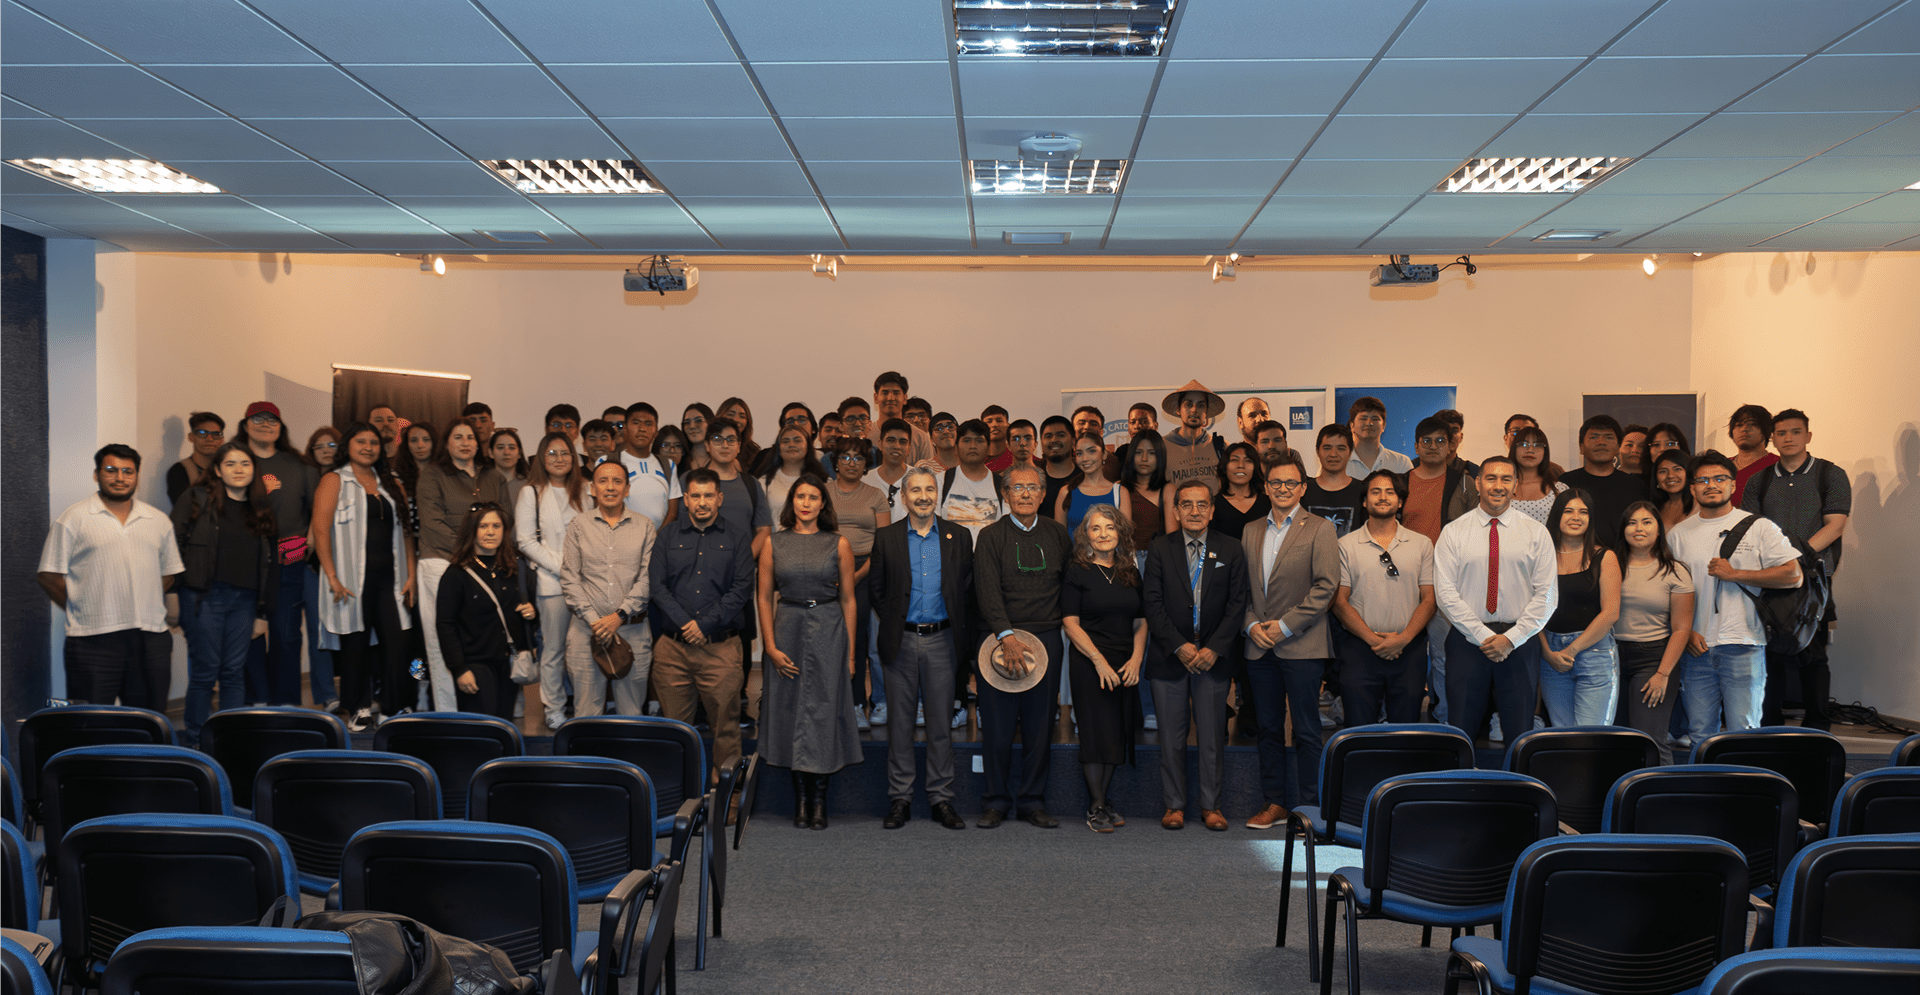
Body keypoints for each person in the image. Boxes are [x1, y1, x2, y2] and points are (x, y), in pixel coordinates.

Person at [1667, 451, 1803, 740]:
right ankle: (1704, 785)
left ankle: (1743, 786)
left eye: (1719, 478)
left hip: (1744, 644)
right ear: (1692, 488)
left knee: (1745, 732)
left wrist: (1736, 574)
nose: (1711, 484)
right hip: (1696, 648)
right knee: (1700, 732)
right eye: (1702, 479)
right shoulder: (1678, 534)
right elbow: (1669, 592)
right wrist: (1686, 631)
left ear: (1732, 485)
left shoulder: (1759, 526)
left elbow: (1793, 574)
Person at [870, 466, 973, 831]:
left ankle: (941, 798)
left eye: (930, 489)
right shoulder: (887, 538)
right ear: (903, 495)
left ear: (937, 494)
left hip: (943, 641)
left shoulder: (959, 537)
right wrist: (899, 620)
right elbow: (878, 591)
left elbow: (965, 589)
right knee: (900, 725)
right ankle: (900, 798)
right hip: (901, 640)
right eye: (916, 490)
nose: (924, 496)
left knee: (940, 725)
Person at [1142, 481, 1250, 831]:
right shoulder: (1160, 548)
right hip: (1170, 655)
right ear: (1175, 511)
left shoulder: (1230, 549)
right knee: (1171, 738)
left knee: (1212, 738)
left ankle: (1211, 806)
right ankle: (1174, 805)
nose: (1194, 511)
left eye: (1201, 505)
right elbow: (1152, 604)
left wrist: (1214, 648)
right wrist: (1179, 645)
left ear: (1212, 510)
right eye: (1186, 505)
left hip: (1212, 658)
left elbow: (1238, 604)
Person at [1239, 453, 1339, 828]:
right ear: (1265, 487)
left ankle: (1309, 809)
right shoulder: (1250, 530)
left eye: (1290, 483)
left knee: (1307, 730)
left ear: (1302, 488)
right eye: (1275, 483)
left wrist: (1283, 626)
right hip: (1258, 644)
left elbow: (1326, 587)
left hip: (1302, 644)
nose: (1282, 489)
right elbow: (1242, 589)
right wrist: (1251, 626)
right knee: (1267, 728)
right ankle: (1274, 803)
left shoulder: (1320, 528)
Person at [757, 475, 861, 830]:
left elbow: (849, 599)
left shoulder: (839, 543)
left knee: (823, 711)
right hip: (787, 627)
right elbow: (763, 597)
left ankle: (819, 799)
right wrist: (769, 646)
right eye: (800, 496)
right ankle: (801, 799)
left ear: (822, 504)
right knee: (790, 710)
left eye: (813, 497)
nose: (805, 503)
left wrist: (850, 654)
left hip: (829, 628)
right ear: (791, 502)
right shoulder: (774, 542)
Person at [973, 464, 1073, 829]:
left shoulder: (1058, 535)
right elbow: (986, 590)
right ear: (1005, 494)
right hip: (998, 641)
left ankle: (1032, 801)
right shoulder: (989, 536)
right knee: (998, 730)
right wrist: (1006, 635)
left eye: (1034, 488)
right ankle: (995, 801)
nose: (1027, 494)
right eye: (1018, 488)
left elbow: (1067, 586)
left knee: (1039, 726)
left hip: (1046, 641)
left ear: (1044, 494)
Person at [1433, 457, 1560, 744]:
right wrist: (1483, 636)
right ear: (1478, 483)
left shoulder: (1536, 533)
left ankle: (1520, 788)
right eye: (1491, 478)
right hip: (1467, 640)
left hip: (1520, 641)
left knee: (1520, 731)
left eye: (1506, 479)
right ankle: (1461, 785)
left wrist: (1511, 638)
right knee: (1462, 729)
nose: (1498, 486)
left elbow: (1548, 595)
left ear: (1515, 485)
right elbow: (1445, 594)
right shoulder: (1454, 532)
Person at [1743, 408, 1850, 730]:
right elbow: (1752, 529)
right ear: (1772, 438)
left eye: (1795, 432)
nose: (1788, 438)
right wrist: (1779, 564)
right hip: (1772, 580)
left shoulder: (1830, 474)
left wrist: (1795, 557)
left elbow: (1835, 526)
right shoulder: (1757, 481)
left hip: (1815, 581)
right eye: (1781, 433)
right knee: (1769, 654)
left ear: (1808, 436)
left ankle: (1818, 727)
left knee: (1814, 655)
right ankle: (1770, 725)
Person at [650, 468, 756, 790]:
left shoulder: (737, 538)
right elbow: (657, 586)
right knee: (676, 731)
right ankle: (680, 801)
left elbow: (740, 590)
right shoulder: (666, 536)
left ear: (720, 498)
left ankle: (727, 803)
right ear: (685, 500)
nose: (702, 502)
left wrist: (704, 625)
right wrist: (686, 623)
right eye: (695, 495)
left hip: (721, 649)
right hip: (673, 650)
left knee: (726, 728)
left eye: (709, 495)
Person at [170, 442, 277, 746]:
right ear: (217, 469)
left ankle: (229, 740)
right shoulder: (195, 498)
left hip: (245, 600)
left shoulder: (260, 507)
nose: (239, 469)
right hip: (204, 597)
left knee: (233, 672)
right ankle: (195, 739)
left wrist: (262, 611)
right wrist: (173, 591)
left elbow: (270, 563)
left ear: (254, 470)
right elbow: (172, 545)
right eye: (230, 464)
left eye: (245, 463)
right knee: (205, 672)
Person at [312, 424, 414, 731]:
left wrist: (410, 574)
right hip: (350, 580)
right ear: (348, 445)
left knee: (398, 643)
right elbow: (320, 530)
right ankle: (358, 707)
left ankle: (394, 707)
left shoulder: (392, 481)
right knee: (355, 645)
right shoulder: (334, 480)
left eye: (374, 443)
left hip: (391, 579)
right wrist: (331, 576)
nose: (368, 447)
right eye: (361, 441)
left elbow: (408, 531)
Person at [415, 420, 513, 711]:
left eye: (470, 437)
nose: (465, 442)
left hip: (486, 565)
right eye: (457, 437)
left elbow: (506, 521)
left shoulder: (494, 477)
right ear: (446, 443)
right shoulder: (433, 475)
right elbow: (431, 524)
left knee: (484, 635)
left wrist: (483, 554)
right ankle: (448, 712)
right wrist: (470, 551)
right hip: (441, 562)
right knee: (441, 638)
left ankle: (488, 703)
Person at [1062, 505, 1147, 833]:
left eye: (1109, 528)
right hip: (1089, 662)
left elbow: (1141, 621)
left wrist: (1137, 659)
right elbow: (1070, 623)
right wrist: (1099, 662)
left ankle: (1103, 800)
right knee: (1095, 736)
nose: (1103, 534)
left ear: (1120, 532)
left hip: (1125, 662)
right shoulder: (1077, 571)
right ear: (1085, 534)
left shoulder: (1130, 571)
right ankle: (1096, 806)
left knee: (1115, 734)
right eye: (1095, 529)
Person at [1333, 470, 1437, 726]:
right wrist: (1374, 640)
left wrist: (1401, 639)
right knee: (1358, 730)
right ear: (1365, 501)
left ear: (1400, 501)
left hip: (1408, 648)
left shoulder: (1422, 544)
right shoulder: (1345, 545)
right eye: (1375, 491)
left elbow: (1430, 599)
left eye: (1390, 491)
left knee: (1406, 731)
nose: (1382, 497)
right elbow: (1339, 601)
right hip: (1360, 649)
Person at [237, 401, 318, 708]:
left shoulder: (299, 465)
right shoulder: (235, 461)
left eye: (272, 420)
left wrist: (305, 547)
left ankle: (286, 705)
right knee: (248, 635)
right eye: (257, 419)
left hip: (289, 562)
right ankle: (257, 700)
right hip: (244, 564)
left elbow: (315, 515)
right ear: (245, 425)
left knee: (286, 636)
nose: (265, 425)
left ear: (280, 427)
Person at [561, 460, 657, 718]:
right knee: (585, 715)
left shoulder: (645, 526)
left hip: (633, 630)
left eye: (617, 481)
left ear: (627, 489)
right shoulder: (578, 526)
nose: (610, 487)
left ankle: (628, 759)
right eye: (603, 481)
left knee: (632, 715)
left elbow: (648, 578)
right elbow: (570, 578)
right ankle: (588, 761)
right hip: (585, 632)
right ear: (592, 488)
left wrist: (619, 616)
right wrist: (596, 622)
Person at [435, 503, 534, 720]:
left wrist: (531, 612)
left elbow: (526, 615)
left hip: (509, 662)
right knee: (482, 729)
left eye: (497, 526)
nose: (491, 532)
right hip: (475, 665)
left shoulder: (514, 568)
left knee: (505, 725)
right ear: (472, 531)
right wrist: (459, 669)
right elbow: (445, 625)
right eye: (483, 526)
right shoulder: (456, 574)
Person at [1614, 501, 1694, 764]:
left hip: (1653, 660)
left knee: (1650, 741)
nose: (1639, 528)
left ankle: (1664, 801)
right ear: (1623, 529)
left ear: (1659, 530)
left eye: (1647, 522)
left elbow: (1682, 629)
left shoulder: (1675, 570)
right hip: (1609, 658)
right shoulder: (1608, 565)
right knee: (1616, 741)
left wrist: (1663, 674)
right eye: (1632, 522)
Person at [516, 432, 586, 730]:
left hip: (586, 584)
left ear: (574, 458)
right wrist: (564, 568)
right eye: (552, 453)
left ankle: (585, 706)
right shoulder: (530, 492)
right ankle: (554, 707)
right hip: (552, 584)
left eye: (565, 453)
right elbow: (526, 541)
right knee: (553, 651)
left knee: (583, 651)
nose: (559, 459)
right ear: (542, 459)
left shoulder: (585, 490)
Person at [1537, 489, 1622, 727]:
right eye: (1569, 511)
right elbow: (1532, 612)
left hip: (1594, 653)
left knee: (1591, 736)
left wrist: (1572, 651)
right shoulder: (1541, 557)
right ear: (1556, 516)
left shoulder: (1605, 557)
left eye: (1583, 512)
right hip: (1550, 655)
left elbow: (1610, 613)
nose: (1576, 517)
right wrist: (1546, 652)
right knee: (1562, 735)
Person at [824, 435, 892, 724]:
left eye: (859, 458)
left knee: (869, 641)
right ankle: (846, 703)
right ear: (836, 462)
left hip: (868, 571)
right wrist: (840, 574)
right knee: (838, 641)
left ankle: (871, 703)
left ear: (866, 464)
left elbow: (884, 543)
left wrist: (856, 574)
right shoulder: (823, 492)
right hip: (829, 571)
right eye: (846, 457)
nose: (852, 463)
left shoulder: (876, 495)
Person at [301, 426, 342, 710]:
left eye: (332, 444)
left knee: (353, 632)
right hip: (312, 564)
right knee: (319, 632)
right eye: (319, 446)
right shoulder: (305, 479)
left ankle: (357, 691)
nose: (326, 450)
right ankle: (327, 694)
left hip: (349, 564)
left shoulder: (352, 478)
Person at [1558, 415, 1647, 544]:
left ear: (1618, 447)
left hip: (1624, 560)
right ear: (1581, 447)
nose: (1601, 442)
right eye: (1593, 437)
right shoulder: (1566, 482)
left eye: (1608, 437)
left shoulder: (1636, 486)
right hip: (1580, 559)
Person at [1402, 416, 1473, 544]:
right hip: (1408, 560)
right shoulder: (1401, 483)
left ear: (1449, 447)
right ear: (1416, 448)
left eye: (1440, 441)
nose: (1433, 447)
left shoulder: (1464, 483)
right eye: (1426, 441)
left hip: (1450, 561)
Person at [700, 418, 772, 545]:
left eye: (731, 440)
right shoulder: (690, 481)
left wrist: (745, 559)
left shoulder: (751, 484)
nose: (725, 445)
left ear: (738, 446)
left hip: (743, 562)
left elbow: (764, 529)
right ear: (707, 445)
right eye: (717, 439)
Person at [616, 402, 681, 530]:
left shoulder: (668, 465)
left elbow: (672, 512)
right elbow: (601, 507)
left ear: (655, 433)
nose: (642, 429)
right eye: (636, 423)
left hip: (658, 544)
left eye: (648, 424)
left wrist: (656, 540)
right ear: (625, 429)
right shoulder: (608, 461)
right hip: (619, 544)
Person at [1056, 431, 1132, 533]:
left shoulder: (1120, 492)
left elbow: (1125, 537)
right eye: (1079, 453)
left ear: (1104, 454)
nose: (1085, 458)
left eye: (1091, 451)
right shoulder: (1065, 492)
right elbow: (1059, 538)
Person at [1161, 381, 1226, 497]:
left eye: (1200, 405)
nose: (1194, 410)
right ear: (1178, 409)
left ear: (1206, 412)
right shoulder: (1162, 446)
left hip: (1214, 514)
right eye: (1188, 404)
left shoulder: (1221, 446)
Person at [940, 419, 1003, 538]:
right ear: (956, 446)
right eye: (967, 440)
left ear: (989, 447)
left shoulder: (1001, 485)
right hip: (952, 556)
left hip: (988, 556)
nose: (973, 446)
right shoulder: (941, 481)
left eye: (979, 441)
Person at [1302, 424, 1365, 537]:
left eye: (1341, 448)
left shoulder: (1363, 491)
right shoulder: (1302, 491)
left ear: (1350, 452)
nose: (1333, 454)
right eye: (1327, 448)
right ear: (1317, 451)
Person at [761, 424, 830, 523]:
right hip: (776, 537)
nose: (791, 444)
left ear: (808, 446)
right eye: (785, 441)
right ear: (778, 448)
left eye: (797, 440)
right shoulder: (765, 482)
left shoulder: (824, 481)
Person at [1206, 442, 1269, 539]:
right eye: (1234, 460)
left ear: (1255, 468)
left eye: (1248, 460)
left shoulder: (1269, 503)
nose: (1241, 465)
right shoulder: (1212, 505)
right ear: (1225, 467)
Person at [1507, 425, 1569, 525]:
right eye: (1523, 444)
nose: (1530, 450)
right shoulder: (1500, 486)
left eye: (1537, 445)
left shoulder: (1559, 490)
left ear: (1545, 451)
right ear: (1514, 448)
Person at [870, 371, 935, 465]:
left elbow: (927, 476)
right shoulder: (866, 434)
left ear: (905, 398)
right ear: (876, 398)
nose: (890, 398)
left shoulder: (921, 438)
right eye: (885, 393)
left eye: (896, 393)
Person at [167, 411, 225, 506]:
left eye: (215, 434)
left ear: (222, 440)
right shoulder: (180, 471)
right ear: (191, 437)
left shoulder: (228, 469)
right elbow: (185, 512)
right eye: (202, 433)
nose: (209, 439)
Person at [1121, 428, 1167, 548]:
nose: (1144, 458)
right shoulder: (1118, 488)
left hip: (1156, 559)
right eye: (1138, 452)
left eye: (1152, 453)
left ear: (1160, 456)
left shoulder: (1168, 490)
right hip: (1124, 557)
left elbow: (1172, 539)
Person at [1345, 396, 1411, 478]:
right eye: (1363, 418)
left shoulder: (1401, 463)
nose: (1369, 423)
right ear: (1352, 425)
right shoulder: (1340, 463)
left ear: (1383, 426)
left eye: (1375, 419)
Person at [1727, 404, 1778, 506]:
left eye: (1752, 424)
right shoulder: (1722, 466)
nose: (1744, 429)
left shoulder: (1778, 465)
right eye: (1739, 425)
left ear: (1766, 431)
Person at [393, 423, 438, 537]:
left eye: (426, 440)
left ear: (434, 443)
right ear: (406, 445)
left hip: (438, 543)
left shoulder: (445, 476)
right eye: (413, 440)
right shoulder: (395, 477)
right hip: (404, 541)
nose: (420, 445)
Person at [867, 418, 915, 521]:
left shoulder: (919, 479)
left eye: (903, 442)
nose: (897, 446)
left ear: (909, 448)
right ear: (880, 444)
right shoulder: (865, 481)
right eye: (890, 440)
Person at [1036, 415, 1078, 515]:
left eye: (1061, 435)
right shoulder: (1033, 479)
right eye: (1048, 436)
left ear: (1073, 442)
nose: (1054, 440)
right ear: (1041, 443)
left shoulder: (1085, 477)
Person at [1651, 448, 1694, 529]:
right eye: (1663, 471)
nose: (1670, 475)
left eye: (1677, 469)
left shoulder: (1699, 504)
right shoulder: (1655, 508)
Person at [716, 397, 760, 470]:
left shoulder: (753, 453)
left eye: (742, 416)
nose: (736, 419)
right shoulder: (710, 447)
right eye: (730, 415)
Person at [488, 429, 528, 507]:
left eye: (512, 448)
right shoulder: (482, 485)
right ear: (490, 453)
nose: (506, 452)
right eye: (500, 448)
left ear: (519, 453)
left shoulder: (528, 485)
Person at [681, 402, 715, 472]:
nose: (692, 426)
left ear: (710, 423)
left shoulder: (722, 457)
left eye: (698, 421)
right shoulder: (679, 458)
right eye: (687, 422)